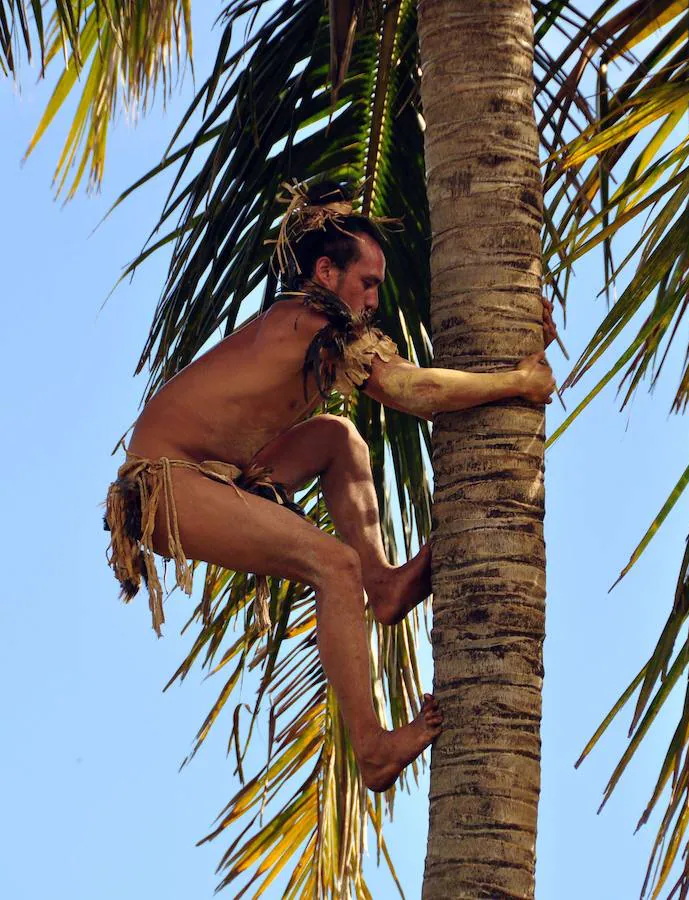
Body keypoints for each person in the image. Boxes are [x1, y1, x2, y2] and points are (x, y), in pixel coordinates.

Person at [104, 181, 558, 791]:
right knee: (331, 566)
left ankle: (387, 587)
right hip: (163, 484)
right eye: (367, 283)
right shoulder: (310, 321)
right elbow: (415, 393)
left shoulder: (324, 326)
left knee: (338, 438)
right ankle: (371, 750)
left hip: (224, 467)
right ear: (326, 271)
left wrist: (518, 343)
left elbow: (424, 374)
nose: (375, 297)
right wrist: (516, 383)